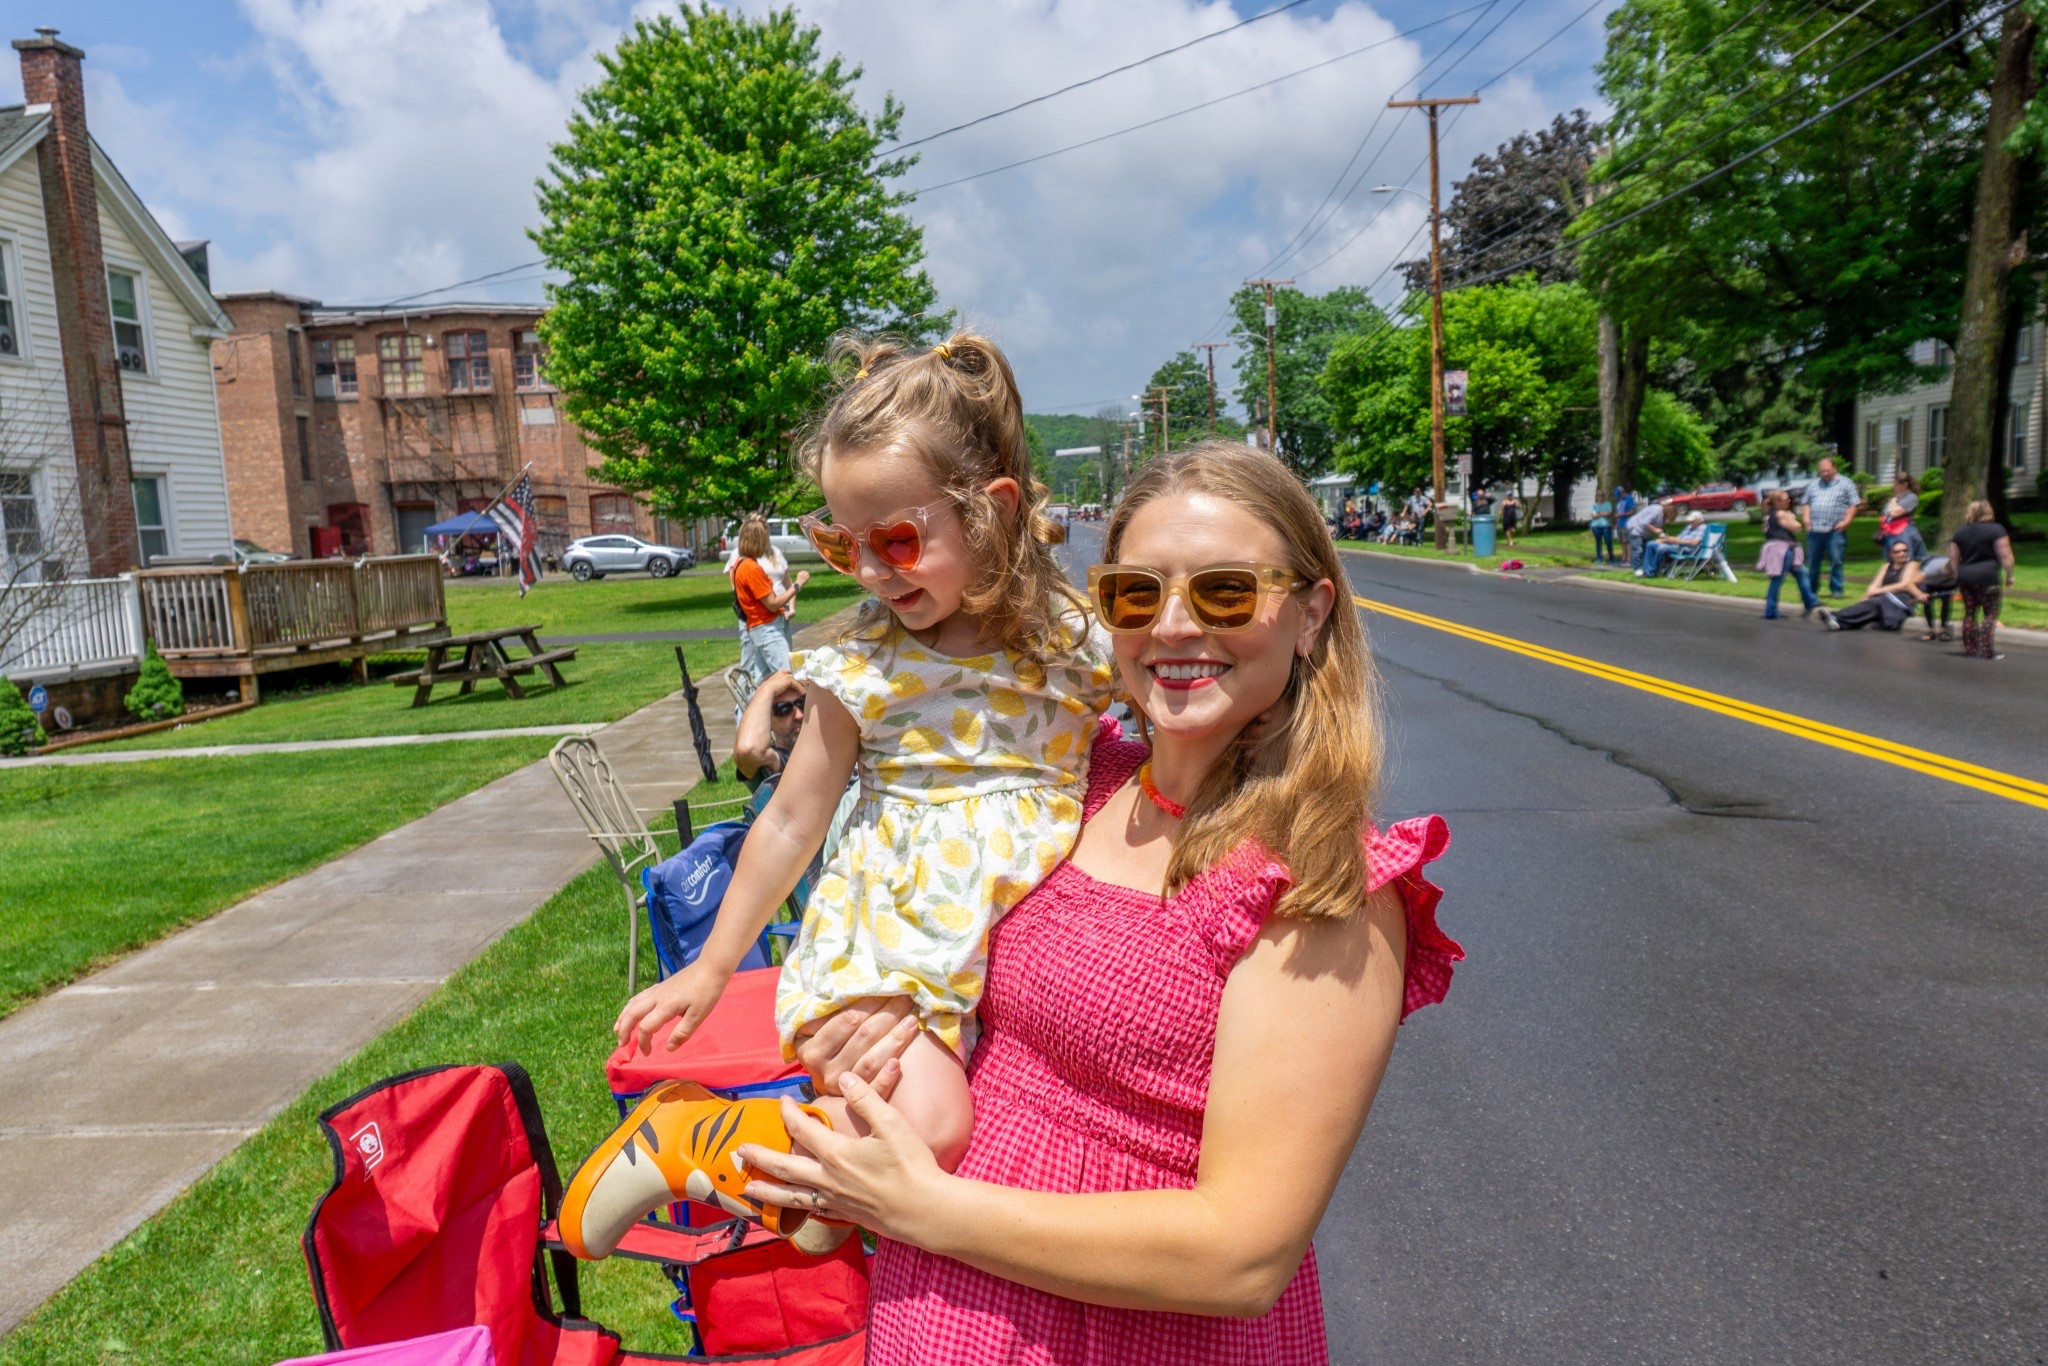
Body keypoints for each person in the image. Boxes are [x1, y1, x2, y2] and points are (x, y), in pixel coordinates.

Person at [738, 440, 1459, 1364]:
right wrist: (878, 1013)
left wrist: (927, 1209)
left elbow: (1243, 1256)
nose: (1173, 627)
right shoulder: (1067, 785)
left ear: (1311, 612)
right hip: (935, 1319)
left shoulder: (1319, 882)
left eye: (1226, 592)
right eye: (1135, 593)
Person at [559, 332, 1118, 1261]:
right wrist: (712, 968)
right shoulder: (864, 671)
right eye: (837, 542)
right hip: (898, 936)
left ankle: (730, 1162)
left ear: (993, 511)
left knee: (824, 1235)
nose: (867, 572)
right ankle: (680, 1138)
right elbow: (788, 820)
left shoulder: (1072, 642)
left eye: (896, 539)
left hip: (987, 935)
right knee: (928, 1131)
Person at [732, 520, 807, 684]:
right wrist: (797, 585)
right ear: (757, 540)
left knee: (762, 681)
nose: (767, 543)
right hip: (767, 629)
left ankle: (750, 710)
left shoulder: (741, 564)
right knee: (788, 676)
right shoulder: (751, 568)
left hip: (761, 629)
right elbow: (772, 603)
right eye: (765, 538)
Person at [1948, 499, 2016, 661]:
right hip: (1988, 576)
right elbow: (2006, 555)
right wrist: (2010, 575)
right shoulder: (1996, 530)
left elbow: (1953, 559)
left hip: (1966, 576)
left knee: (1970, 613)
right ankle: (1987, 650)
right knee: (1990, 613)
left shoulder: (1960, 532)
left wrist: (1957, 576)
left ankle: (1970, 648)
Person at [725, 515, 799, 648]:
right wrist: (798, 584)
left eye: (766, 526)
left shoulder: (774, 552)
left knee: (775, 663)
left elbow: (787, 583)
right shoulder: (748, 564)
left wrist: (791, 608)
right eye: (761, 527)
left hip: (777, 615)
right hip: (761, 620)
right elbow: (771, 604)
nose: (765, 530)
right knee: (783, 667)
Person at [1817, 539, 1924, 631]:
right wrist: (1867, 596)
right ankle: (1839, 624)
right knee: (1869, 607)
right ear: (1891, 554)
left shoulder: (1912, 564)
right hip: (1885, 601)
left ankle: (1835, 616)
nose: (1902, 553)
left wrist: (1877, 592)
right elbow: (1875, 585)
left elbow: (1904, 585)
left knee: (1877, 602)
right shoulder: (1886, 566)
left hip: (1902, 603)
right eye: (1897, 551)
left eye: (1905, 551)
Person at [1799, 457, 1861, 598]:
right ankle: (1811, 589)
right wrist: (1806, 520)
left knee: (1836, 560)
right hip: (1815, 530)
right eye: (1822, 471)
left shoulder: (1846, 483)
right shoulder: (1814, 485)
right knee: (1813, 561)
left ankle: (1836, 589)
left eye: (1827, 470)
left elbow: (1854, 504)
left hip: (1835, 530)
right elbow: (1806, 502)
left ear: (1834, 468)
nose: (1824, 473)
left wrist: (1847, 521)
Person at [1758, 489, 1819, 619]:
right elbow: (1797, 527)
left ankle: (1810, 601)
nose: (1789, 500)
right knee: (1778, 579)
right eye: (1786, 499)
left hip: (1780, 548)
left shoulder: (1769, 513)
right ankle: (1771, 610)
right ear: (1778, 502)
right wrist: (1792, 518)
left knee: (1802, 573)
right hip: (1783, 550)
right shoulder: (1781, 513)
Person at [1638, 509, 1705, 577]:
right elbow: (1678, 538)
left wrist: (1678, 541)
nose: (1690, 522)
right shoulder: (1689, 527)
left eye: (1692, 521)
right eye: (1690, 521)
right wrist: (1664, 540)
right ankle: (1646, 570)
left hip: (1689, 550)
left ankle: (1652, 572)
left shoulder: (1702, 528)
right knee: (1651, 544)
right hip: (1679, 547)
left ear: (1699, 520)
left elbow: (1695, 542)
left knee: (1662, 548)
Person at [1916, 552, 1957, 642]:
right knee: (1927, 602)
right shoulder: (1932, 569)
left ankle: (1943, 630)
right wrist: (1920, 594)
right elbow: (1912, 581)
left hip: (1949, 585)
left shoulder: (1959, 570)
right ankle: (1931, 630)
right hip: (1930, 583)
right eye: (1947, 574)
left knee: (1946, 602)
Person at [1624, 498, 1667, 573]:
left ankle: (1645, 567)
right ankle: (1637, 569)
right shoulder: (1656, 511)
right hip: (1635, 529)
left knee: (1647, 549)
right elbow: (1645, 523)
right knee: (1638, 550)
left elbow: (1659, 526)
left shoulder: (1663, 516)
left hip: (1645, 533)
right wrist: (1655, 530)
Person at [1589, 489, 1617, 565]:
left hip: (1606, 526)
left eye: (1602, 496)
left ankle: (1611, 558)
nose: (1600, 497)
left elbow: (1609, 513)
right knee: (1598, 542)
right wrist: (1603, 513)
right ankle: (1599, 558)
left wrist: (1599, 513)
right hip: (1596, 526)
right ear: (1597, 497)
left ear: (1604, 497)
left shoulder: (1608, 504)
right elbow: (1593, 516)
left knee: (1608, 542)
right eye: (1599, 496)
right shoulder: (1594, 505)